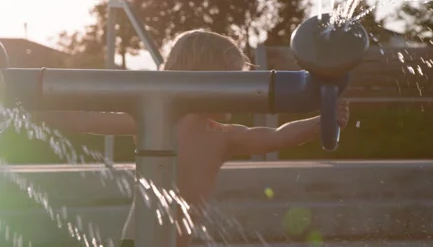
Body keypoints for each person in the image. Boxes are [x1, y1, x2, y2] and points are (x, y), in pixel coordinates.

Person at [35, 29, 350, 247]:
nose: (240, 97)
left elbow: (278, 136)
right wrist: (35, 109)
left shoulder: (223, 137)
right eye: (233, 85)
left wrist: (323, 119)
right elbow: (90, 121)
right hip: (139, 241)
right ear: (205, 83)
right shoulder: (155, 118)